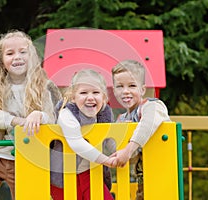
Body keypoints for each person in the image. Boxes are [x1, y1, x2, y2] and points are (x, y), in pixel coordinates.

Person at [0, 30, 61, 200]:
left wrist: (38, 115)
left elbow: (52, 116)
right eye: (10, 53)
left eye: (23, 52)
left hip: (23, 159)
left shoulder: (42, 86)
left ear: (32, 56)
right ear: (1, 61)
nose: (17, 57)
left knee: (25, 196)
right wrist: (16, 121)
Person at [50, 69, 116, 200]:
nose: (90, 97)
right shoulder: (67, 113)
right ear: (73, 97)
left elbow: (111, 139)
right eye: (84, 93)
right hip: (63, 174)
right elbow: (76, 143)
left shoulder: (105, 113)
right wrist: (106, 160)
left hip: (90, 171)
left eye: (96, 92)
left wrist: (122, 153)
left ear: (103, 97)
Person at [110, 60, 170, 200]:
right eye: (120, 86)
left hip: (163, 176)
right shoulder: (122, 119)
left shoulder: (152, 106)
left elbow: (147, 124)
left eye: (132, 85)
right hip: (142, 178)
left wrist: (128, 149)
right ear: (114, 91)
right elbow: (117, 148)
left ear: (142, 89)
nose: (125, 91)